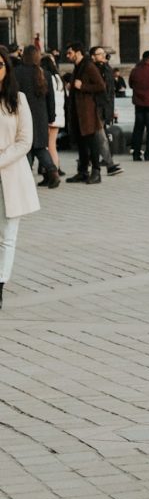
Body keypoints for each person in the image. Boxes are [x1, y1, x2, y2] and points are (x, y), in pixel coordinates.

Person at [0, 47, 41, 311]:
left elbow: (25, 141)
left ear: (7, 67)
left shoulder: (18, 100)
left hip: (9, 175)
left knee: (7, 236)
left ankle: (0, 283)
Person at [15, 45, 60, 188]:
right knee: (40, 147)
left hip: (23, 115)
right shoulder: (45, 73)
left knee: (24, 146)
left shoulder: (17, 73)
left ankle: (25, 178)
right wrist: (51, 116)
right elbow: (50, 99)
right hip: (41, 116)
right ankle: (53, 172)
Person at [65, 41, 106, 184]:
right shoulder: (77, 67)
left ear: (78, 52)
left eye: (70, 52)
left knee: (91, 141)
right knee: (82, 143)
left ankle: (96, 171)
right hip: (78, 111)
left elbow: (101, 86)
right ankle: (82, 171)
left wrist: (83, 86)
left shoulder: (89, 66)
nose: (67, 55)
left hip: (87, 112)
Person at [90, 46, 122, 177]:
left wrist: (111, 110)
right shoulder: (93, 69)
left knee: (97, 137)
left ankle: (86, 163)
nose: (103, 55)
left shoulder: (105, 68)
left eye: (104, 53)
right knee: (101, 137)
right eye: (100, 54)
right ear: (93, 56)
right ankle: (109, 164)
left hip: (103, 108)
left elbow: (109, 92)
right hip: (96, 107)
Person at [41, 54, 65, 176]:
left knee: (49, 145)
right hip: (59, 115)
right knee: (52, 145)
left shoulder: (47, 77)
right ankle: (56, 167)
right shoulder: (58, 78)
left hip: (51, 115)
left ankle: (53, 171)